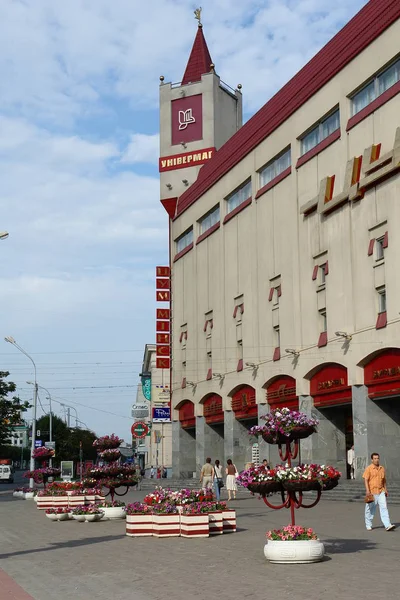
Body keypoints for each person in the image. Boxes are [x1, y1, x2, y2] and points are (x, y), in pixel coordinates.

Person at [363, 452, 395, 531]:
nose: (377, 460)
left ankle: (387, 525)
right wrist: (367, 491)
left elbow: (384, 480)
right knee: (370, 509)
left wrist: (386, 489)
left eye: (378, 458)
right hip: (372, 492)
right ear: (372, 460)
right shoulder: (369, 468)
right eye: (375, 459)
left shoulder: (382, 468)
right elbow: (366, 480)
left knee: (384, 508)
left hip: (381, 491)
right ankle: (368, 524)